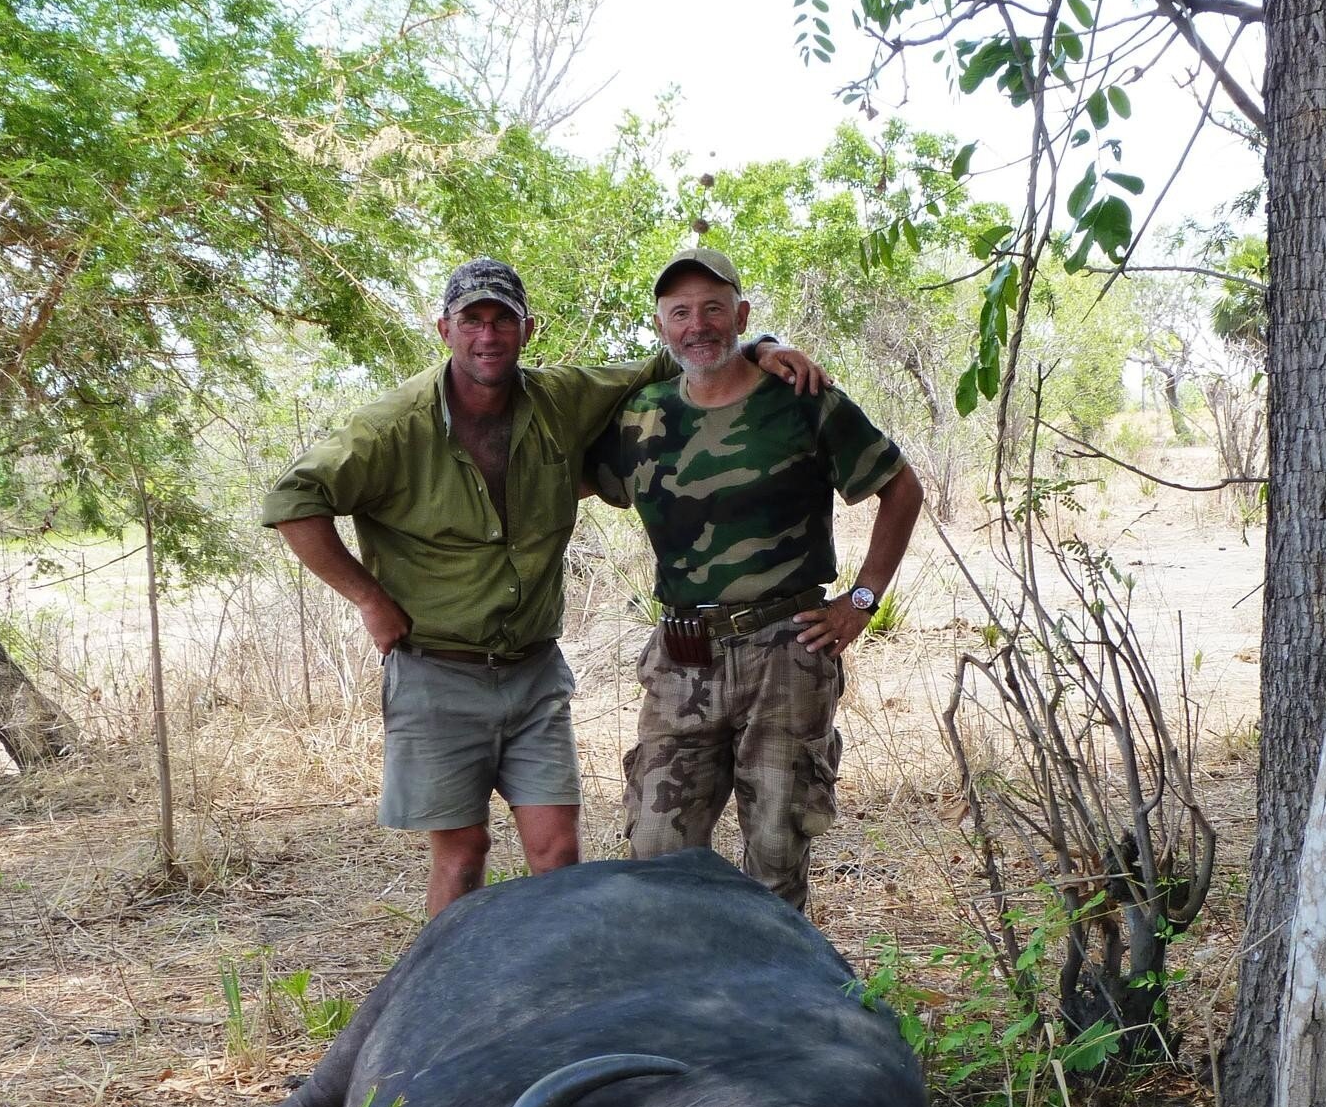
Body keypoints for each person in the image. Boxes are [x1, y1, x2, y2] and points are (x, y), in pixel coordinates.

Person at [261, 258, 827, 915]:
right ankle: (453, 999)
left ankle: (555, 994)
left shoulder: (559, 399)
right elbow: (294, 499)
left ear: (528, 329)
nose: (488, 336)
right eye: (472, 320)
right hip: (436, 671)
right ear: (444, 328)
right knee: (463, 851)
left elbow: (676, 359)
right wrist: (369, 598)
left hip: (533, 673)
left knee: (558, 853)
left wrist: (764, 346)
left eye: (503, 320)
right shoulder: (393, 426)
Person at [585, 247, 924, 913]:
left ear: (741, 313)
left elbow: (901, 487)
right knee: (658, 851)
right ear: (662, 329)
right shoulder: (641, 416)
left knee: (776, 848)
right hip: (684, 655)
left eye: (714, 307)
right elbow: (572, 480)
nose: (698, 324)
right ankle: (683, 1000)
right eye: (680, 312)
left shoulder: (802, 399)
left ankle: (774, 1003)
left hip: (787, 650)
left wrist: (861, 602)